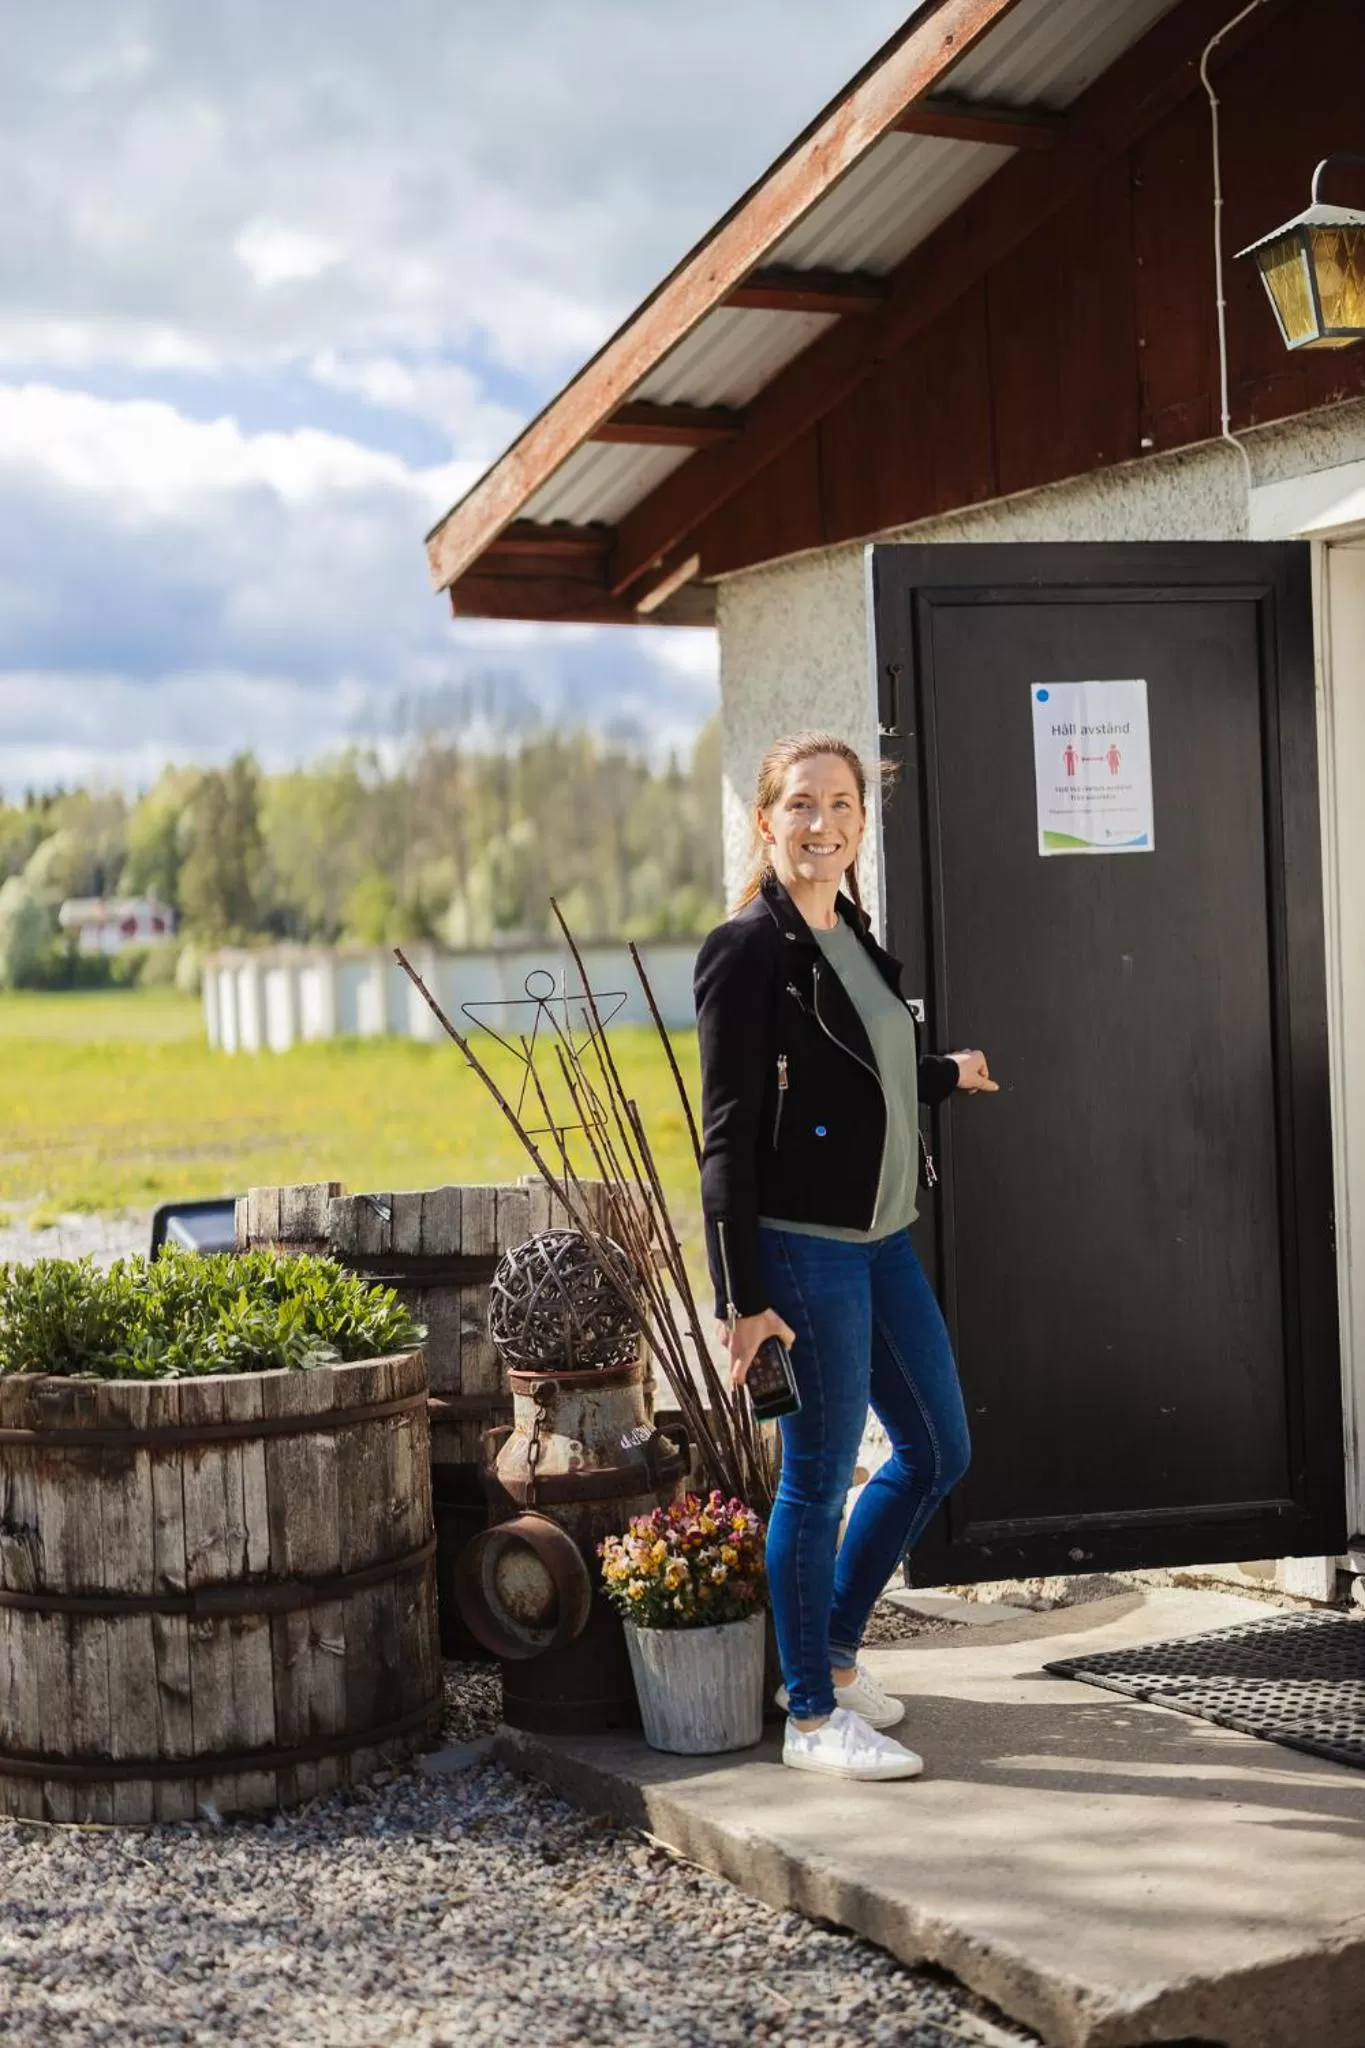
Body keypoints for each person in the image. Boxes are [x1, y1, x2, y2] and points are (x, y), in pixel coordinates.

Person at [693, 731, 997, 1783]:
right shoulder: (747, 950)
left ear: (863, 823)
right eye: (801, 806)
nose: (822, 824)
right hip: (806, 1253)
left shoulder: (852, 933)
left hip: (881, 1244)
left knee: (937, 1449)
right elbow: (726, 1134)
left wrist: (946, 1075)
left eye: (841, 806)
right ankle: (813, 1716)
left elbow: (857, 1072)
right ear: (766, 820)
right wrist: (741, 1299)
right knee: (816, 1480)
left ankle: (833, 1649)